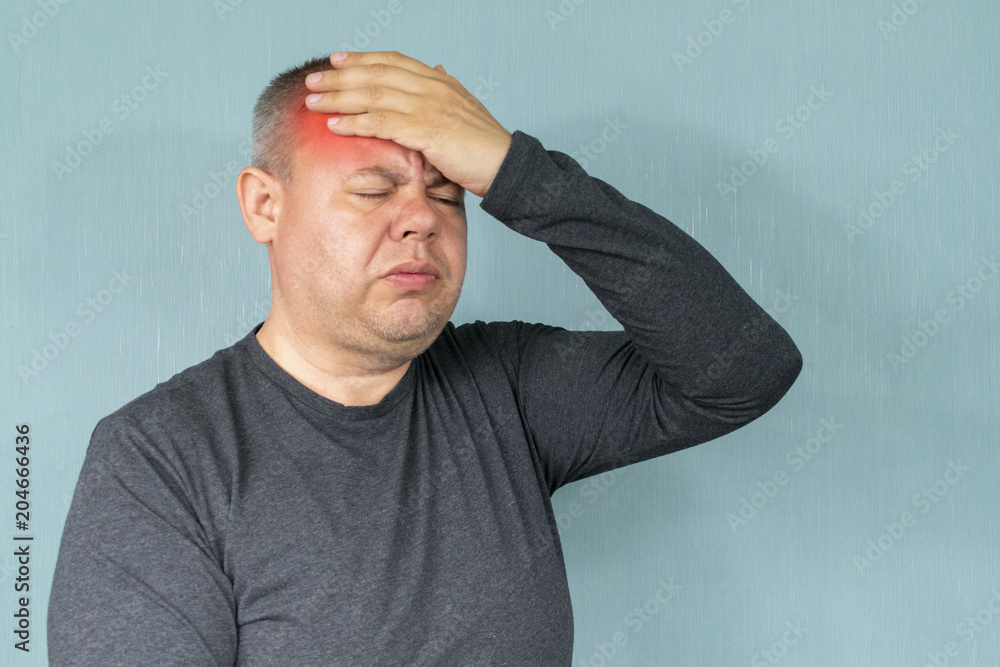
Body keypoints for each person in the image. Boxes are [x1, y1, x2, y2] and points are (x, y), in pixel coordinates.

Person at [48, 50, 803, 665]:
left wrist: (516, 172)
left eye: (449, 195)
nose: (419, 219)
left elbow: (743, 368)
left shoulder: (507, 387)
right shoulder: (158, 459)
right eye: (373, 191)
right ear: (264, 205)